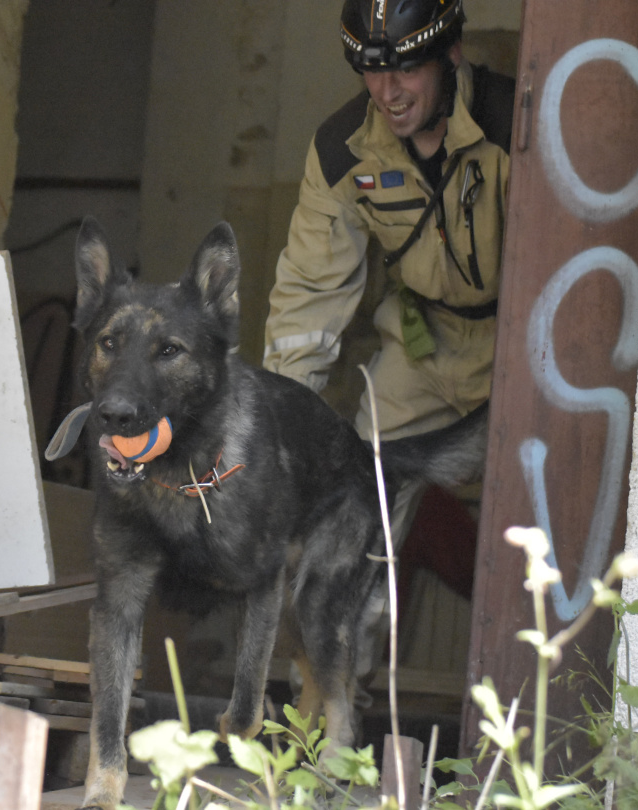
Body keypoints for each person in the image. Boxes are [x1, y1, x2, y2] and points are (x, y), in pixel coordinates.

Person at [263, 0, 514, 614]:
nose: (387, 91)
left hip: (518, 350)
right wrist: (279, 430)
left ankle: (545, 700)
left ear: (450, 53)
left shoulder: (514, 122)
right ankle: (328, 700)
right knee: (357, 509)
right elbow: (308, 297)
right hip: (423, 346)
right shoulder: (341, 151)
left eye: (405, 70)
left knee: (544, 513)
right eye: (370, 72)